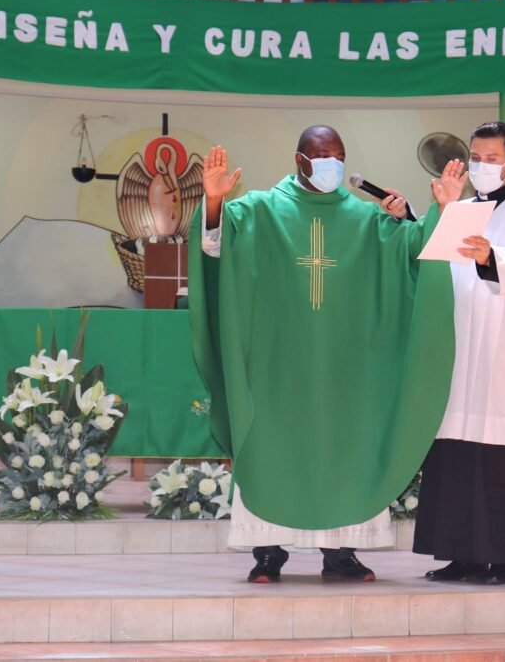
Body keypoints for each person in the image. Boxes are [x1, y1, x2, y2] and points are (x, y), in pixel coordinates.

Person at [188, 125, 454, 583]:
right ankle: (267, 553)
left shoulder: (368, 221)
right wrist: (213, 202)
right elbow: (215, 246)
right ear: (300, 160)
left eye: (339, 155)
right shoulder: (260, 211)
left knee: (349, 445)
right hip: (277, 363)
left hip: (346, 364)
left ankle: (341, 554)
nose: (333, 164)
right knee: (271, 446)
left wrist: (435, 211)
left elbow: (415, 250)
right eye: (323, 155)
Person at [413, 121, 505, 585]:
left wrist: (489, 255)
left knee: (501, 457)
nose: (482, 166)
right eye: (476, 158)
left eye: (492, 159)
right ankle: (461, 554)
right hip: (461, 349)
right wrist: (428, 215)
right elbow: (434, 265)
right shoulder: (460, 211)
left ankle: (504, 557)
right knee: (457, 451)